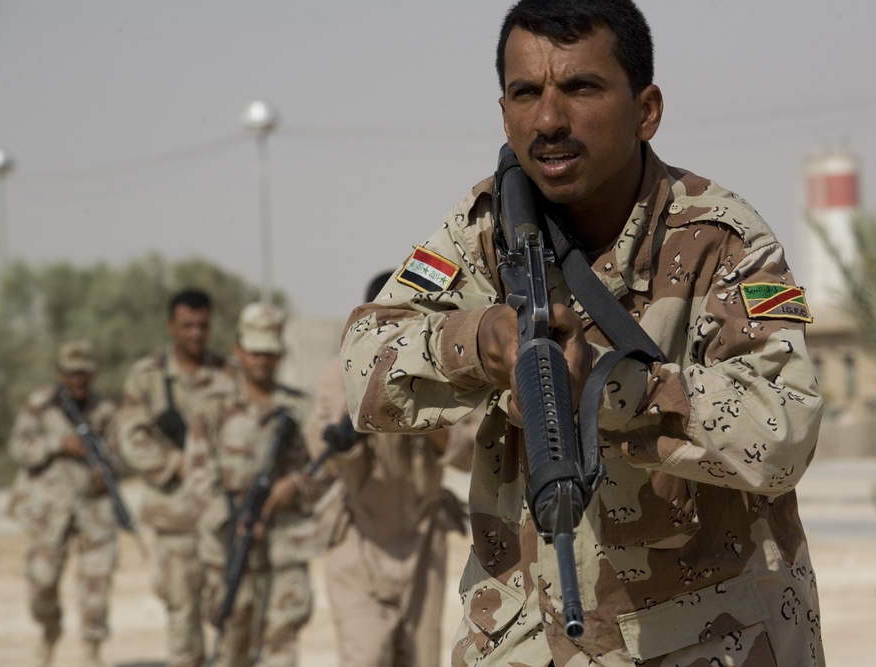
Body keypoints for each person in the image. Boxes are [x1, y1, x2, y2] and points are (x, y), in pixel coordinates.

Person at [339, 1, 825, 665]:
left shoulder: (718, 237)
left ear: (646, 110)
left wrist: (613, 386)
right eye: (526, 93)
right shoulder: (483, 232)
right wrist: (479, 342)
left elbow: (786, 427)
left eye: (581, 87)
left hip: (711, 634)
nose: (548, 120)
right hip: (527, 635)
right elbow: (363, 365)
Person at [306, 270, 477, 667]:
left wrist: (420, 405)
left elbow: (469, 454)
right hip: (360, 542)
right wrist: (359, 418)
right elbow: (321, 447)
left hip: (422, 543)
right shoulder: (338, 374)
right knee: (366, 655)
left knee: (420, 658)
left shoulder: (444, 376)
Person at [183, 302, 318, 667]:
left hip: (284, 549)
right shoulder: (211, 406)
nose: (262, 359)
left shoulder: (301, 409)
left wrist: (294, 486)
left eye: (270, 351)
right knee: (231, 646)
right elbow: (197, 476)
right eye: (255, 350)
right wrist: (233, 520)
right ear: (238, 350)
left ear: (281, 353)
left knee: (281, 649)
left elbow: (327, 470)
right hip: (231, 547)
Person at [115, 288, 233, 667]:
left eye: (202, 326)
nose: (195, 334)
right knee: (183, 617)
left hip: (222, 515)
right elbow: (132, 439)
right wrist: (182, 464)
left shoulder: (228, 373)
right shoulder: (147, 377)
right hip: (176, 515)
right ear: (171, 327)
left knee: (231, 611)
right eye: (187, 326)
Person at [7, 340, 119, 667]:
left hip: (94, 509)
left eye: (84, 373)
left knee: (97, 583)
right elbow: (19, 447)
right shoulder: (41, 405)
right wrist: (58, 444)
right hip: (49, 508)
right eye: (71, 373)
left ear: (93, 373)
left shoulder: (105, 410)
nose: (78, 381)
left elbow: (121, 453)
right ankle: (50, 629)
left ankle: (91, 649)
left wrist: (108, 470)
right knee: (41, 582)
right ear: (60, 373)